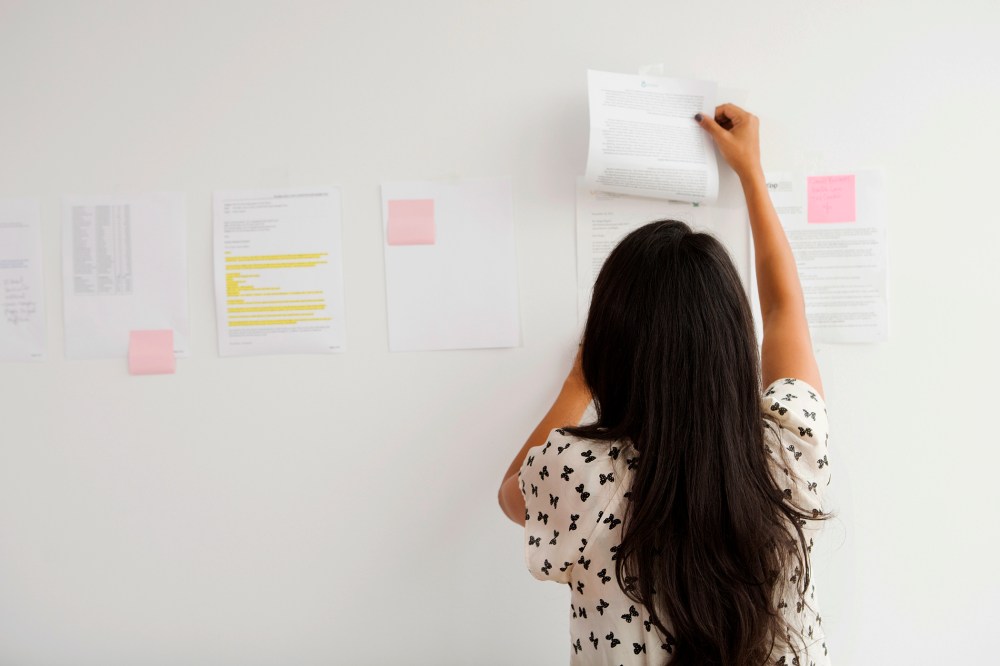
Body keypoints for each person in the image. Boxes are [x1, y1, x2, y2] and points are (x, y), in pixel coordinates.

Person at [498, 104, 832, 666]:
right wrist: (751, 171)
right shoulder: (790, 447)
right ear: (731, 341)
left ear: (611, 347)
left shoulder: (582, 473)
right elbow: (783, 310)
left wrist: (579, 380)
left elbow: (513, 490)